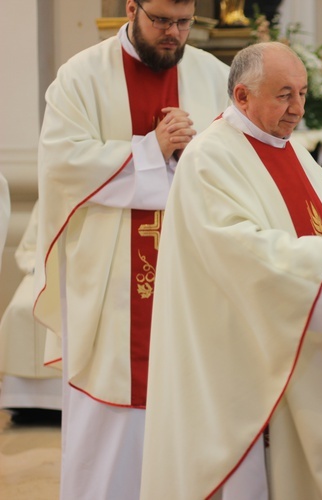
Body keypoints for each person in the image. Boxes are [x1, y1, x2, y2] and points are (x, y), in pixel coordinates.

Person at [140, 41, 322, 499]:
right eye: (285, 94)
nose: (298, 108)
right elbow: (244, 255)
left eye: (303, 93)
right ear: (242, 96)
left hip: (300, 358)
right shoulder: (210, 158)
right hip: (249, 367)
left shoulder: (293, 152)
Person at [33, 0, 231, 497]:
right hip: (109, 285)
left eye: (183, 23)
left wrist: (193, 153)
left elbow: (238, 164)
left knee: (190, 409)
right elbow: (61, 165)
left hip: (193, 277)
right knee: (109, 433)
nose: (173, 34)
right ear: (130, 8)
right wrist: (151, 150)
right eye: (161, 21)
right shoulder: (81, 77)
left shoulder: (213, 76)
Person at [0, 203, 63, 424]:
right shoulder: (44, 201)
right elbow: (27, 248)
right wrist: (41, 266)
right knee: (20, 309)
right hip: (42, 273)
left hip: (74, 274)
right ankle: (20, 400)